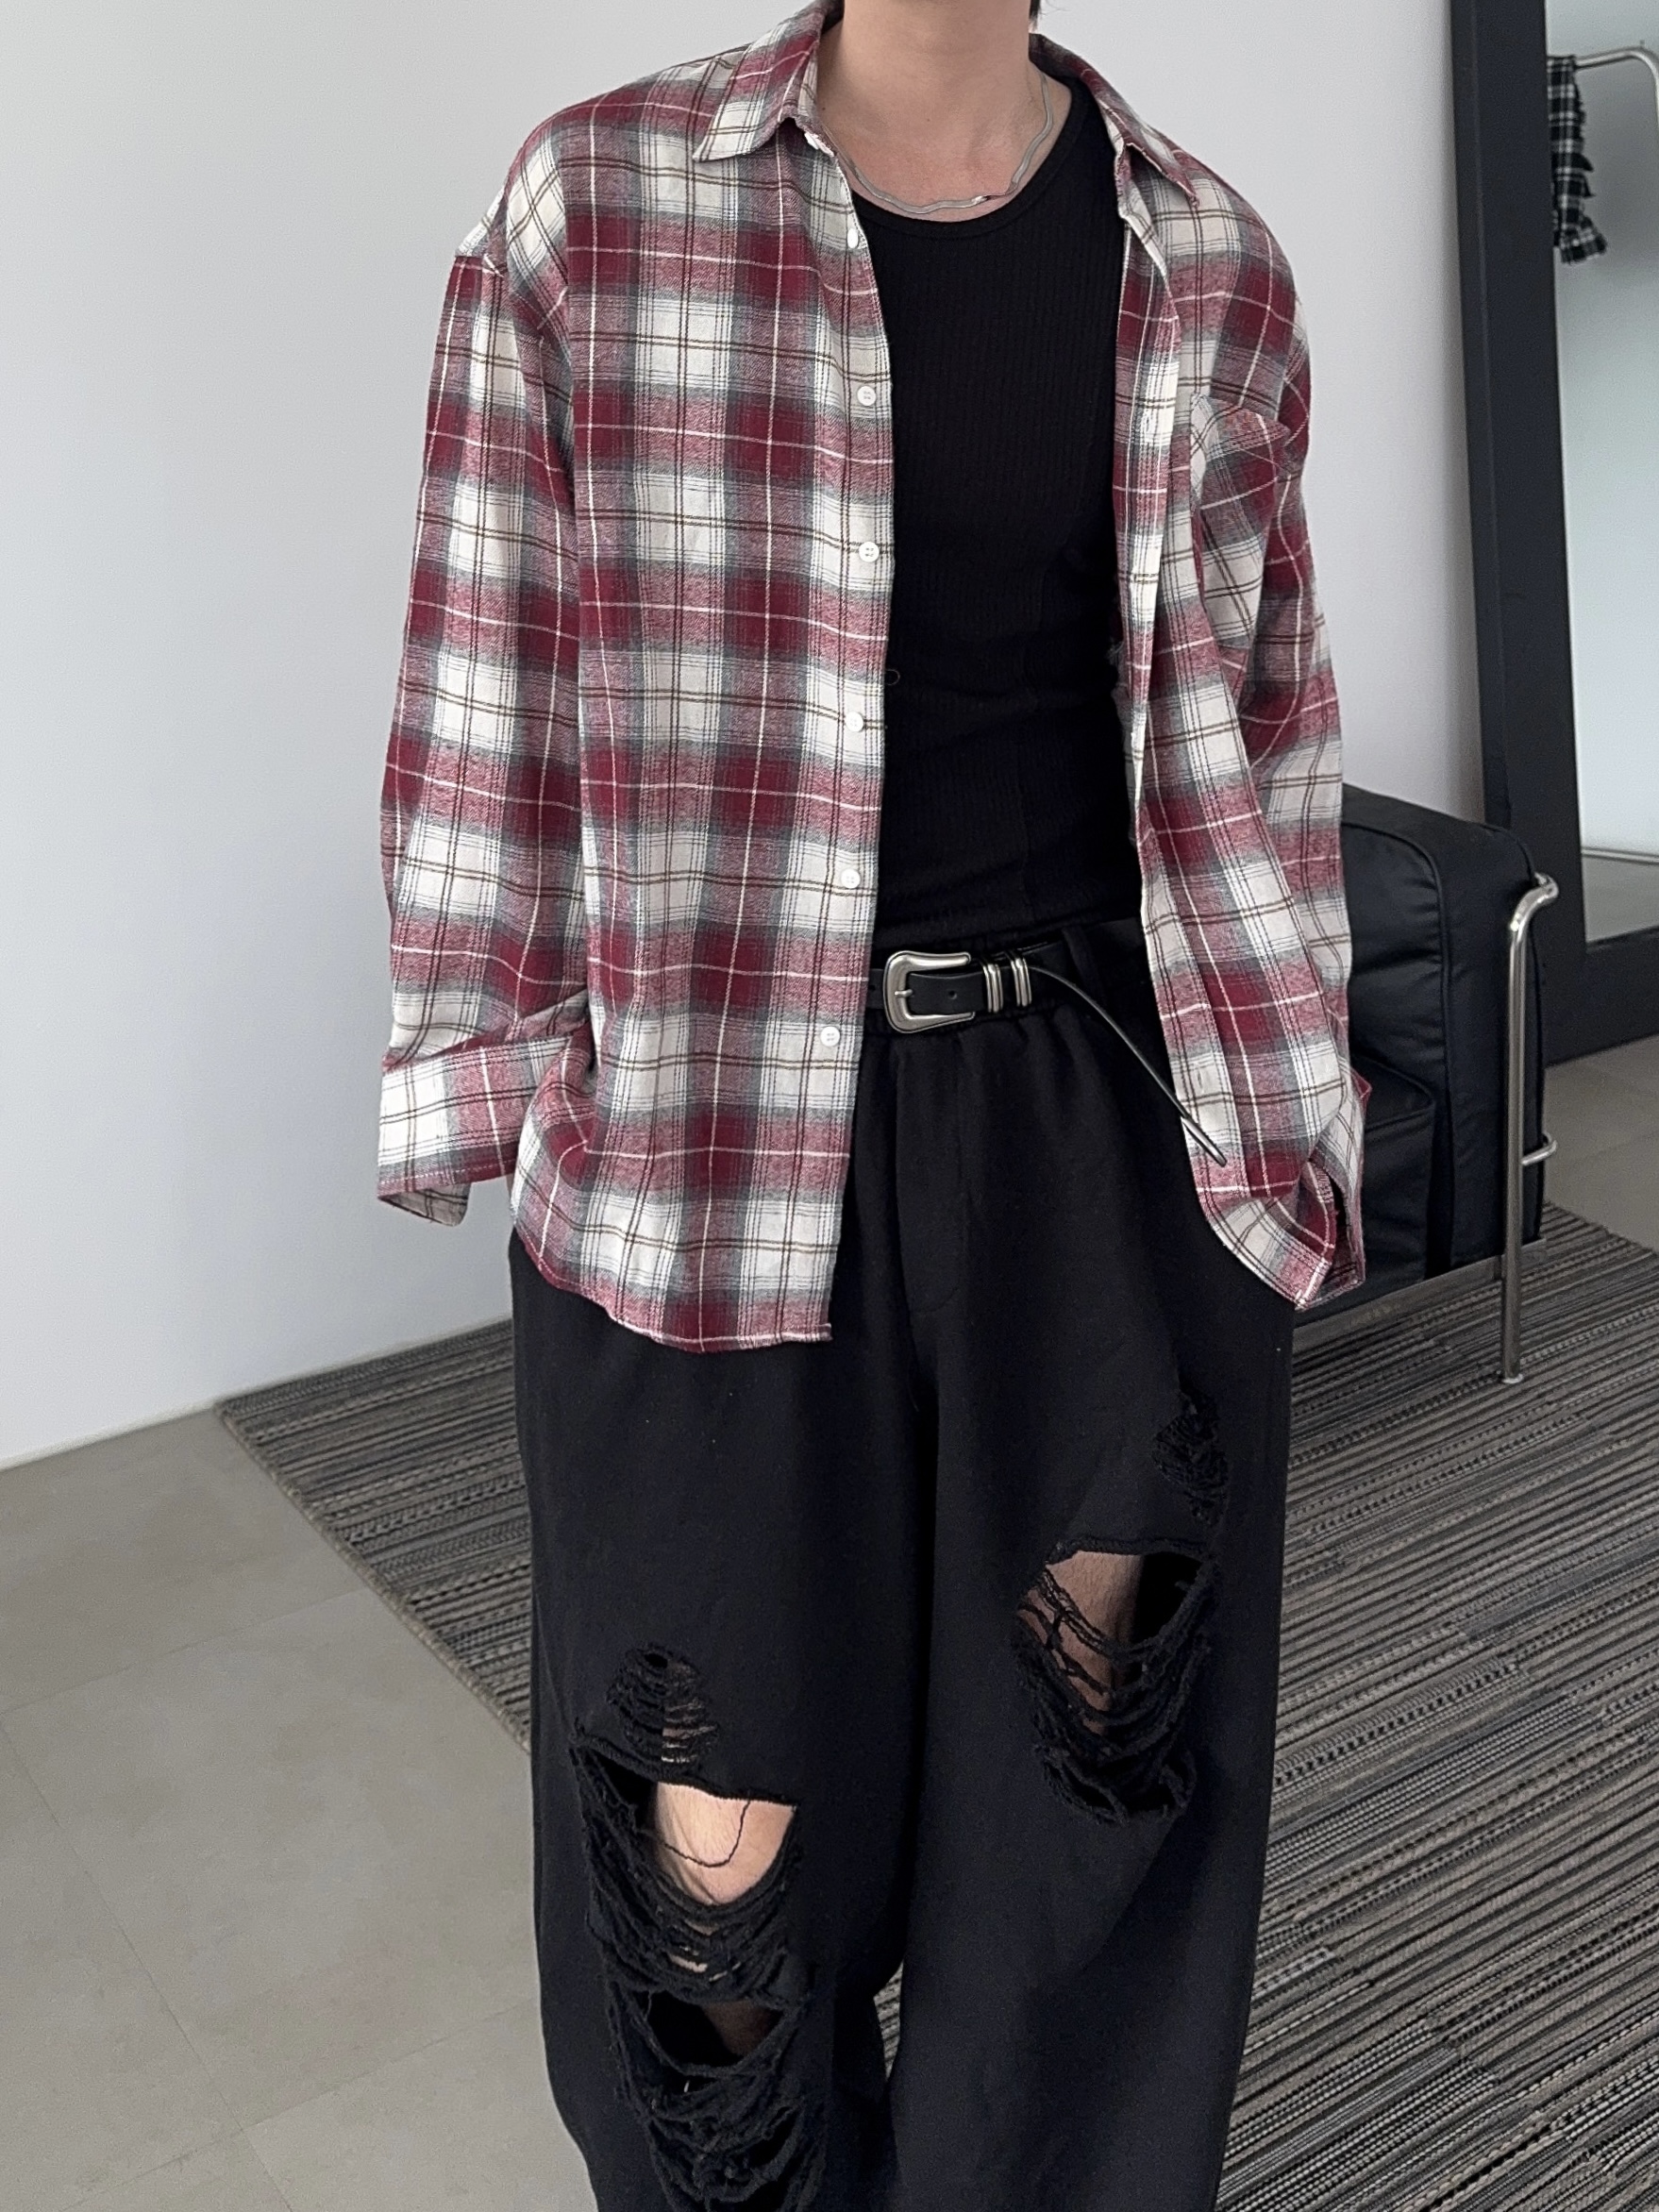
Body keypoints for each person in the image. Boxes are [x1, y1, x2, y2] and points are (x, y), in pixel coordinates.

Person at [377, 0, 1365, 2204]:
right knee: (711, 1853)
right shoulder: (597, 204)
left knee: (1085, 1793)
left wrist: (1290, 1113)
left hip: (1108, 1142)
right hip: (710, 1141)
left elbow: (1273, 716)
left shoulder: (1208, 254)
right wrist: (492, 1077)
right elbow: (486, 669)